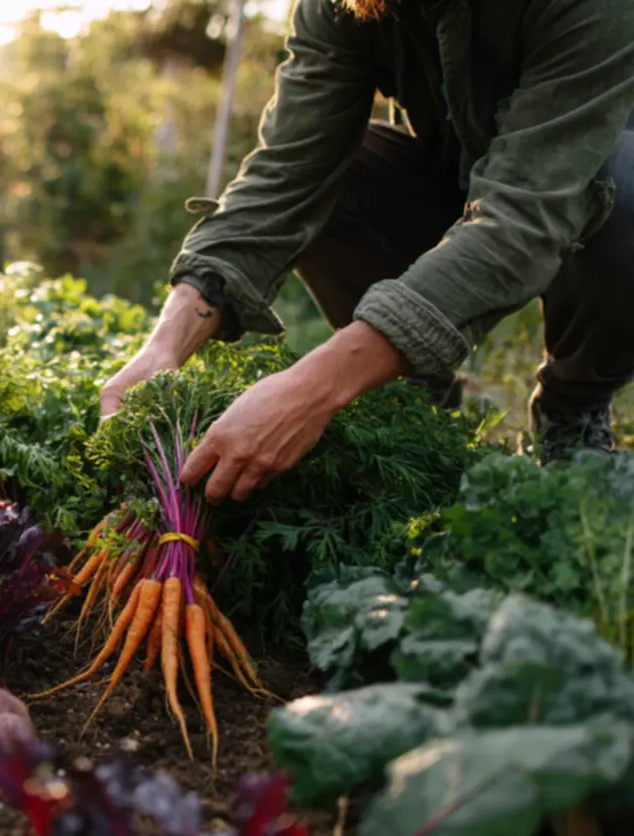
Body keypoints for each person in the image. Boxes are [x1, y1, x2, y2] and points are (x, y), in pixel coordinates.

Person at [99, 0, 634, 503]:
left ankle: (574, 409)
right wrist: (166, 344)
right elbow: (285, 175)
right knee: (337, 175)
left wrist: (312, 388)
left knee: (626, 184)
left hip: (573, 183)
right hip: (455, 181)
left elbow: (524, 217)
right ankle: (418, 407)